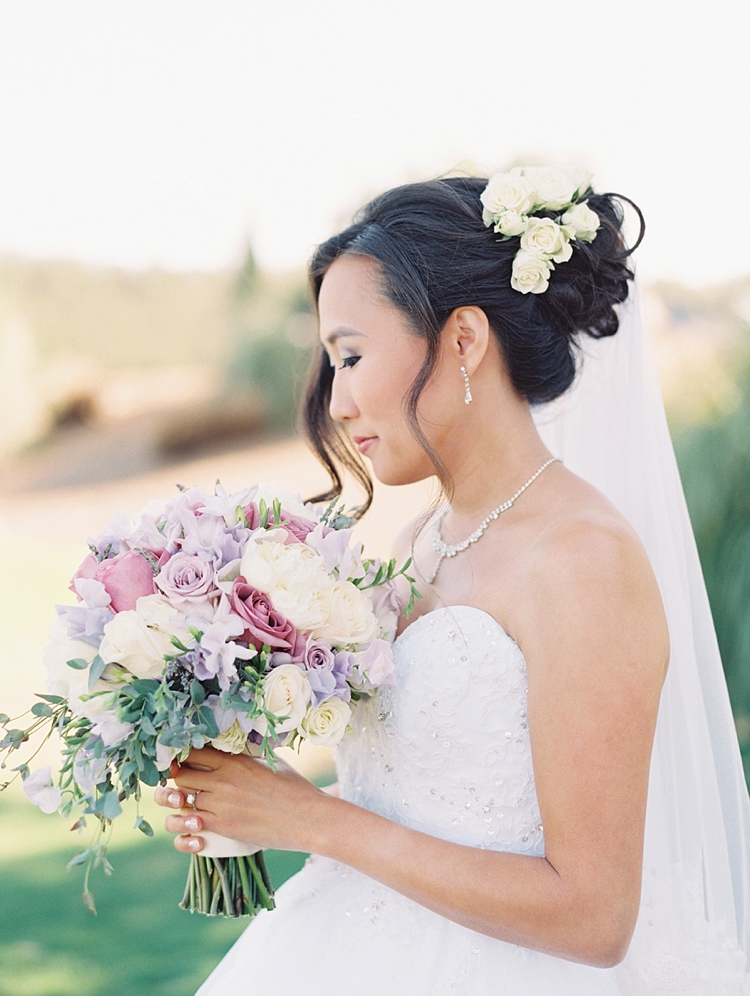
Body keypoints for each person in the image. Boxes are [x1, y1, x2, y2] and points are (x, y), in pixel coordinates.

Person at [155, 170, 750, 994]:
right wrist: (263, 799)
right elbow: (436, 791)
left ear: (464, 340)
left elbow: (595, 915)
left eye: (352, 355)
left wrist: (316, 822)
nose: (336, 402)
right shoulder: (423, 539)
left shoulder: (583, 560)